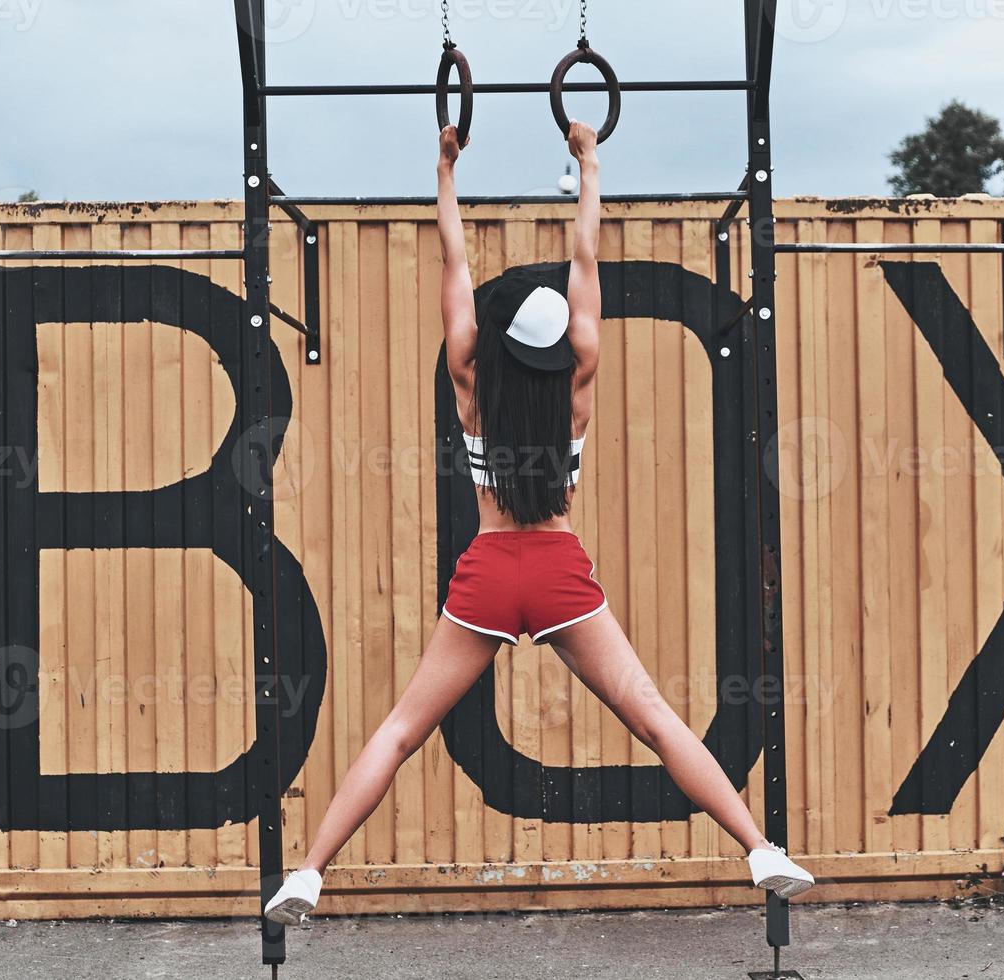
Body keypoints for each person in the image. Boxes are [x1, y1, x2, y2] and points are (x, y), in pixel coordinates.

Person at [264, 121, 814, 926]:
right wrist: (589, 164)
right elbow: (585, 259)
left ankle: (310, 872)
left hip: (489, 575)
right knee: (658, 721)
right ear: (561, 354)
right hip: (559, 575)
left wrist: (446, 172)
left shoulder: (468, 374)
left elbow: (455, 264)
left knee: (398, 733)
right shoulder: (580, 379)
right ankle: (759, 849)